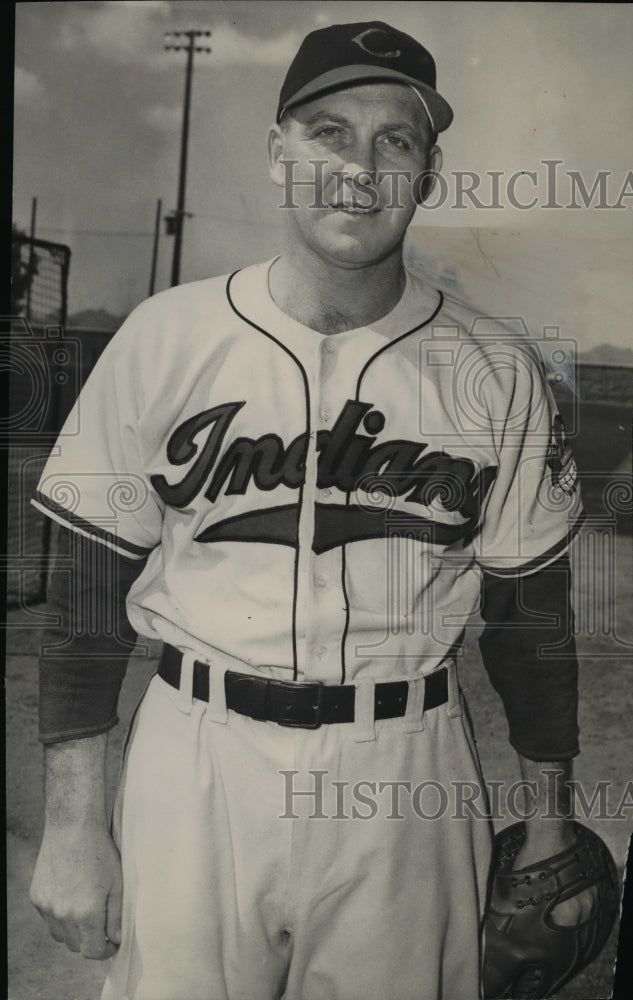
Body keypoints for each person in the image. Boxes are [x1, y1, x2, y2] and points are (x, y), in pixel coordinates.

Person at [29, 20, 595, 1000]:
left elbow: (531, 619)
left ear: (428, 171)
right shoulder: (166, 339)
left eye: (395, 140)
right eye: (329, 131)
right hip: (197, 757)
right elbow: (84, 597)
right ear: (276, 149)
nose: (359, 168)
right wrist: (76, 822)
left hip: (407, 771)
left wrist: (548, 817)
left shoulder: (496, 369)